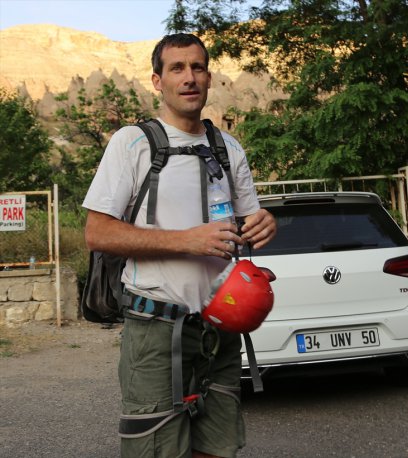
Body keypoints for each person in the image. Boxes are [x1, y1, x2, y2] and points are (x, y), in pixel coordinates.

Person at [82, 33, 276, 458]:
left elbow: (245, 223)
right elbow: (98, 233)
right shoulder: (132, 143)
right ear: (158, 81)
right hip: (154, 329)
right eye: (177, 69)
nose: (189, 78)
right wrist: (186, 240)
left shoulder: (229, 148)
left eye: (198, 67)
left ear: (209, 78)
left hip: (220, 331)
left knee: (218, 449)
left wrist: (262, 225)